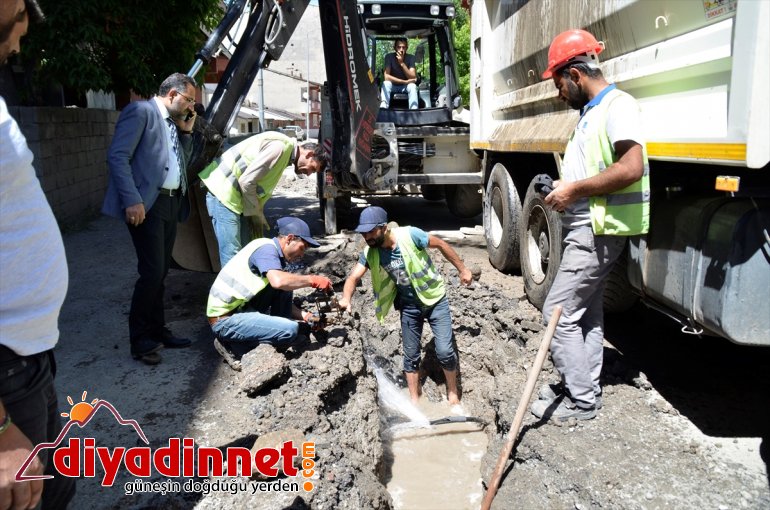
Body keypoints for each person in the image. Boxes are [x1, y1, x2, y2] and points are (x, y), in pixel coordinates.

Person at [530, 29, 650, 422]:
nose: (559, 94)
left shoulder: (618, 106)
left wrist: (574, 190)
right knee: (587, 313)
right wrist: (563, 187)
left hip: (597, 230)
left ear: (576, 74)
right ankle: (584, 386)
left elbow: (631, 168)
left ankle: (580, 400)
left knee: (557, 313)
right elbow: (590, 173)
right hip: (587, 226)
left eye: (559, 84)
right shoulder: (592, 114)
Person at [0, 1, 76, 508]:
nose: (23, 27)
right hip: (6, 367)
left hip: (29, 354)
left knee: (56, 489)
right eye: (19, 15)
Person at [102, 72, 198, 365]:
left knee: (161, 271)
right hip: (148, 205)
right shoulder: (140, 112)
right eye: (189, 100)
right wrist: (132, 199)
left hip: (171, 202)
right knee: (152, 271)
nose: (190, 106)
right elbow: (118, 156)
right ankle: (140, 339)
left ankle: (157, 330)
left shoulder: (173, 122)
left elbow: (181, 161)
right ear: (172, 94)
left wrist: (186, 133)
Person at [338, 206, 473, 404]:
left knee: (444, 351)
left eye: (371, 231)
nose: (367, 237)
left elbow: (441, 244)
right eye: (363, 233)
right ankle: (415, 401)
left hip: (435, 299)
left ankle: (453, 394)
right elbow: (353, 277)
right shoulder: (370, 252)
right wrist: (345, 298)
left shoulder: (410, 235)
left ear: (384, 228)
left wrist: (463, 270)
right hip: (409, 306)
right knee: (410, 356)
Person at [206, 216, 333, 370]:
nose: (302, 254)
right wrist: (312, 279)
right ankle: (233, 347)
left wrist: (307, 317)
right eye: (302, 247)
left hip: (240, 309)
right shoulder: (266, 250)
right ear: (290, 239)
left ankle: (278, 332)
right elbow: (278, 281)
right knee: (290, 330)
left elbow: (281, 287)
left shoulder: (268, 249)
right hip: (224, 321)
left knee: (286, 288)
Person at [199, 132, 328, 266]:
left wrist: (257, 212)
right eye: (312, 168)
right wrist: (255, 214)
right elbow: (247, 182)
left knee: (247, 251)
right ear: (309, 154)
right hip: (223, 193)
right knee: (232, 255)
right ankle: (231, 280)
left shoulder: (285, 153)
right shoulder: (279, 147)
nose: (309, 174)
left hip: (235, 199)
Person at [380, 38, 418, 110]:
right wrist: (404, 81)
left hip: (405, 87)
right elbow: (386, 77)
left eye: (403, 47)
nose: (401, 49)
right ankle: (383, 107)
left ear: (407, 48)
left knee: (412, 86)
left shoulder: (411, 58)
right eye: (399, 47)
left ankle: (414, 109)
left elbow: (413, 77)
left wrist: (402, 63)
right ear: (394, 48)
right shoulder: (389, 57)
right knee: (386, 83)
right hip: (393, 85)